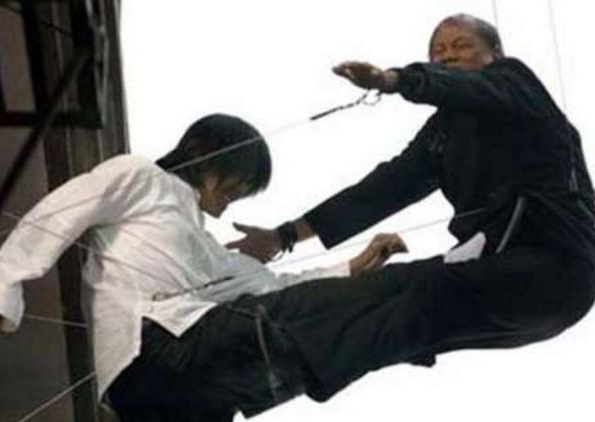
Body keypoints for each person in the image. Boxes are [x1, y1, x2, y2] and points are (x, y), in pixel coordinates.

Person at [229, 13, 595, 383]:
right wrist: (284, 236)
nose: (447, 55)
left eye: (461, 45)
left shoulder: (516, 83)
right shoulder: (442, 134)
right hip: (499, 274)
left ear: (495, 54)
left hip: (558, 268)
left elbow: (468, 88)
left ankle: (287, 367)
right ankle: (254, 369)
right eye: (438, 51)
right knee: (385, 286)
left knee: (428, 291)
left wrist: (393, 80)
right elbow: (385, 189)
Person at [0, 113, 410, 421]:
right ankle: (399, 319)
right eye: (240, 180)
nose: (239, 194)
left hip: (171, 391)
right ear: (202, 152)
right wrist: (3, 286)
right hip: (151, 349)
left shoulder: (207, 248)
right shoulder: (142, 176)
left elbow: (275, 287)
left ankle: (380, 326)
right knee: (283, 330)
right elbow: (60, 213)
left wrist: (351, 269)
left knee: (285, 324)